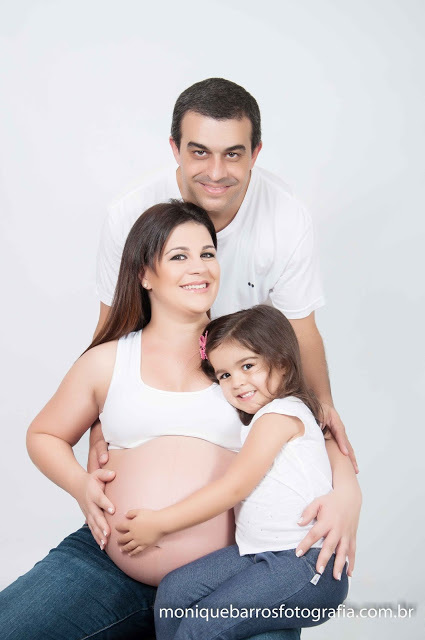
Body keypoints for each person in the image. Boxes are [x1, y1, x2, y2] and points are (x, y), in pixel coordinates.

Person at [0, 201, 310, 640]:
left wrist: (346, 498)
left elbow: (308, 424)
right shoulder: (109, 360)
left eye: (207, 253)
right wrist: (80, 485)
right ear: (145, 274)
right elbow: (44, 434)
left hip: (235, 575)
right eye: (179, 256)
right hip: (109, 564)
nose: (199, 266)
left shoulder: (249, 356)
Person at [90, 77, 358, 483]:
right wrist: (100, 420)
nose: (216, 173)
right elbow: (114, 324)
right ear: (175, 148)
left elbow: (302, 331)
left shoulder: (286, 219)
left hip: (241, 391)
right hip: (159, 379)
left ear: (255, 153)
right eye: (199, 152)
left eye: (233, 154)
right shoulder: (129, 214)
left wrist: (325, 422)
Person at [113, 305, 350, 639]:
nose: (236, 382)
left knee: (201, 626)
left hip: (306, 565)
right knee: (175, 593)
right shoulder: (261, 419)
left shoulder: (280, 416)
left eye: (248, 366)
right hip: (259, 554)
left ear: (283, 363)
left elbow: (234, 487)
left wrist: (160, 523)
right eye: (224, 375)